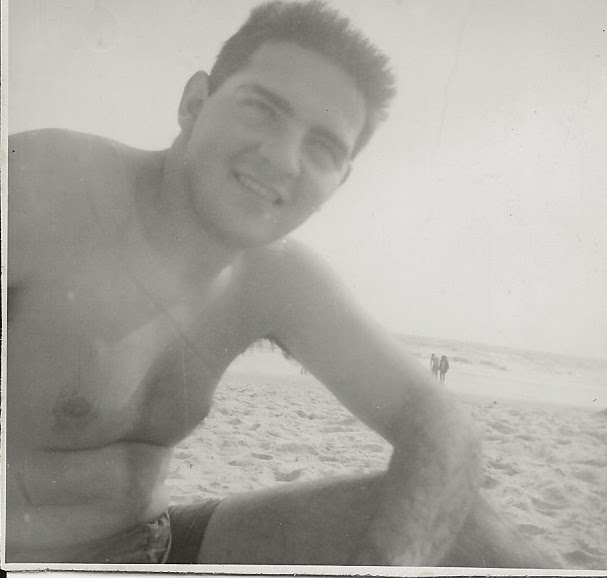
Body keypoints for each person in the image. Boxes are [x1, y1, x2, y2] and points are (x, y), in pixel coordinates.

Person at [5, 0, 554, 568]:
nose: (283, 159)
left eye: (323, 146)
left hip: (158, 546)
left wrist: (391, 563)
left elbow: (444, 428)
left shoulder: (275, 277)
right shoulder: (49, 186)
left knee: (466, 530)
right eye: (263, 109)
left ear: (339, 181)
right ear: (195, 102)